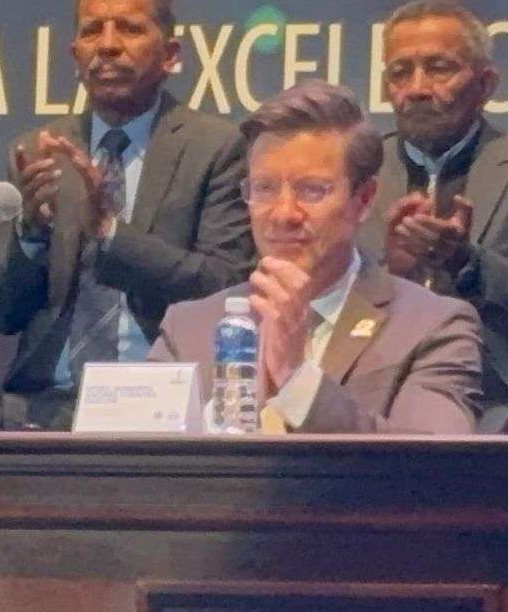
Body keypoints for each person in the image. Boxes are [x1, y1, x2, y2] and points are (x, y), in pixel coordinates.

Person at [0, 0, 255, 431]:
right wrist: (30, 233)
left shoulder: (214, 148)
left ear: (170, 54)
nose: (108, 45)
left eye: (130, 28)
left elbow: (222, 287)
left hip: (161, 401)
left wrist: (110, 233)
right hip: (45, 406)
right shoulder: (38, 151)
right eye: (92, 30)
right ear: (75, 55)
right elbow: (4, 313)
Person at [150, 81, 482, 434]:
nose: (283, 214)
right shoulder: (188, 328)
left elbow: (433, 459)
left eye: (311, 190)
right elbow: (141, 460)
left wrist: (298, 381)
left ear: (364, 199)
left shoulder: (433, 326)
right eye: (264, 188)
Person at [358, 0, 508, 431]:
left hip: (503, 410)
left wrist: (468, 264)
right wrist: (390, 272)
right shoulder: (357, 175)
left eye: (439, 68)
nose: (417, 88)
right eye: (400, 72)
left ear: (485, 84)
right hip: (372, 404)